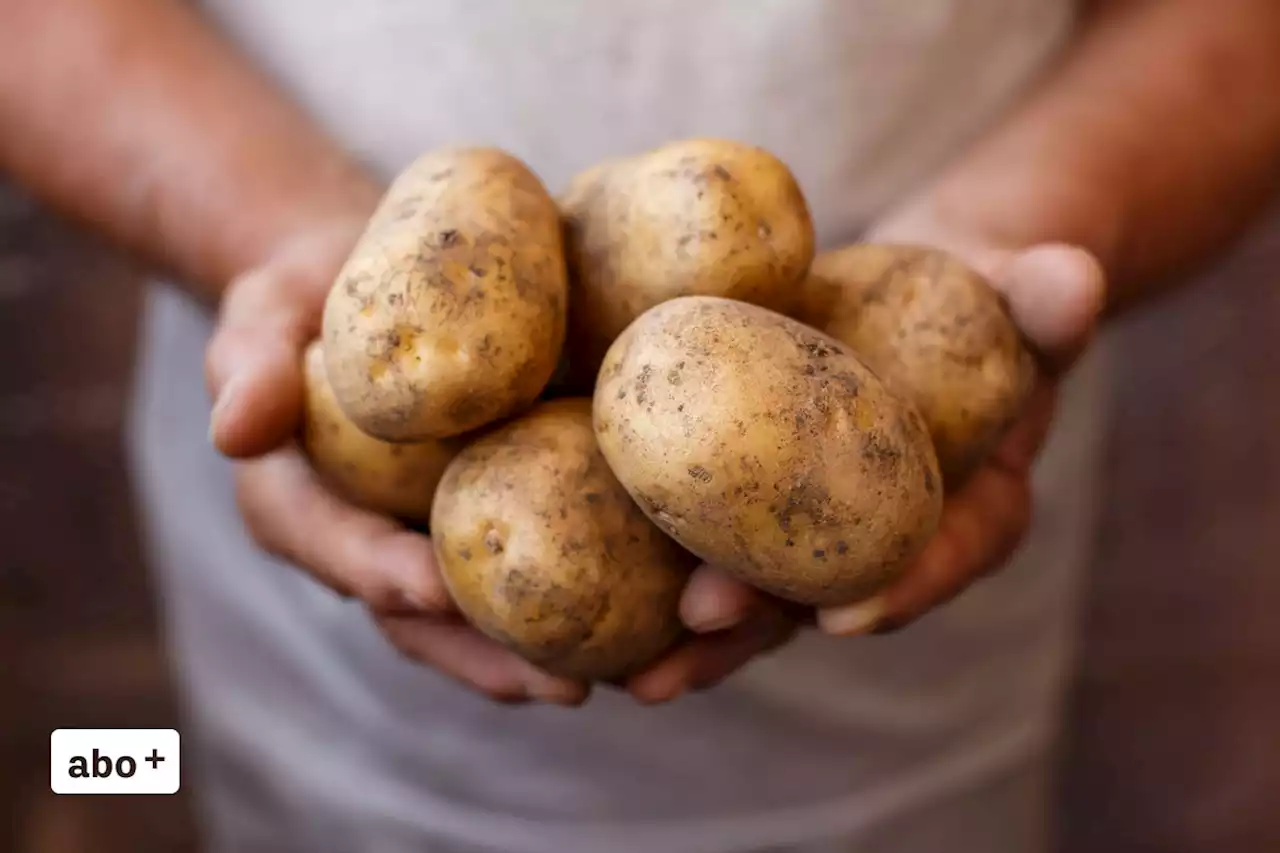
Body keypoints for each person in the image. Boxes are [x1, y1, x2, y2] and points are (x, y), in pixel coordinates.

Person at [3, 1, 1279, 851]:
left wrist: (1046, 210)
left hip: (921, 634)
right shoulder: (412, 353)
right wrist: (268, 229)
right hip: (317, 586)